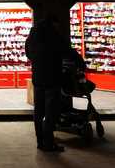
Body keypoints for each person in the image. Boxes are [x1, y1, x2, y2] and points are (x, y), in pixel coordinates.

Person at [25, 15, 69, 152]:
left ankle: (40, 141)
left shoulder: (33, 36)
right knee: (51, 113)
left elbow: (28, 53)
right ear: (53, 24)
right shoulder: (53, 36)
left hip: (38, 78)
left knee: (38, 112)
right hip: (52, 78)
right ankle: (49, 143)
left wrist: (37, 61)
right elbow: (66, 50)